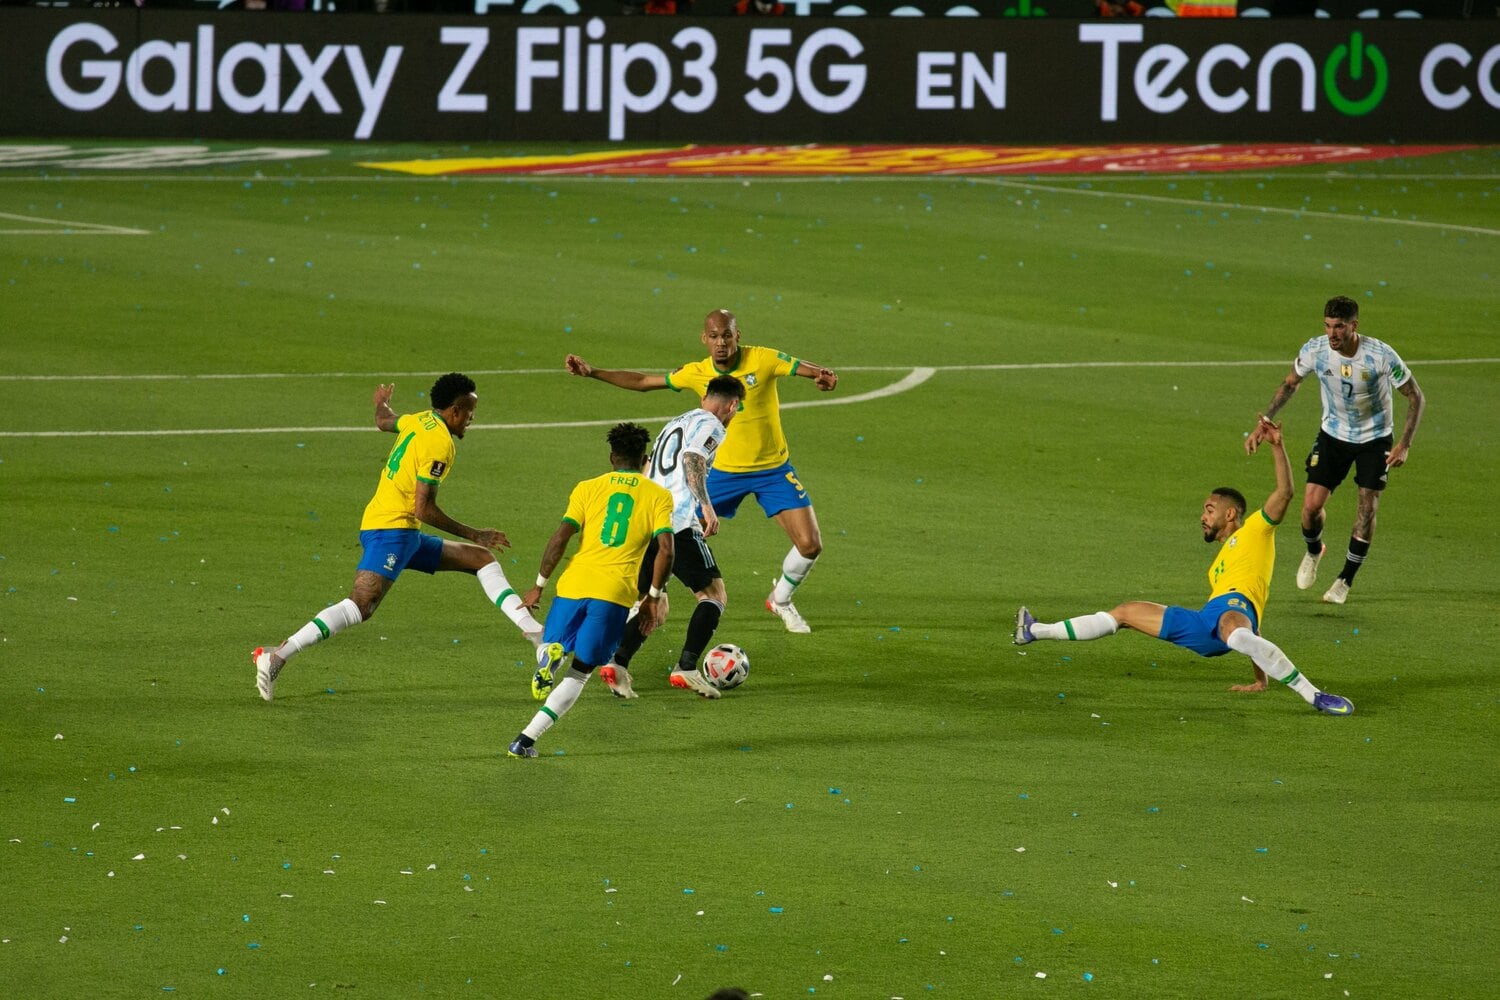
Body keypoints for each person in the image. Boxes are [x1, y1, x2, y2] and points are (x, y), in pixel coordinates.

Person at [1013, 420, 1354, 715]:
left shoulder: (1255, 529)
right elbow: (1253, 632)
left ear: (1230, 513)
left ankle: (1314, 695)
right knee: (1126, 612)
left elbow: (1285, 492)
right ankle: (1035, 630)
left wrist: (1277, 446)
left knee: (1234, 626)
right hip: (1207, 622)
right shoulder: (1217, 567)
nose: (1203, 517)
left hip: (1231, 613)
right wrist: (1259, 679)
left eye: (1209, 509)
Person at [251, 374, 551, 702]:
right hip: (392, 531)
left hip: (397, 529)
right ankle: (278, 656)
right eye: (469, 411)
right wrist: (474, 533)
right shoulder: (440, 444)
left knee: (481, 560)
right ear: (454, 411)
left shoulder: (420, 420)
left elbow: (384, 421)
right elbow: (423, 508)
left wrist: (381, 401)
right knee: (361, 605)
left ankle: (534, 633)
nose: (472, 418)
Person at [565, 308, 838, 633]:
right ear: (704, 339)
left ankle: (780, 599)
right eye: (714, 336)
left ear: (737, 336)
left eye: (727, 335)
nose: (721, 342)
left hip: (772, 471)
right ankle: (648, 596)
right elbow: (643, 382)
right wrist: (592, 371)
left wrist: (822, 375)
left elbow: (804, 369)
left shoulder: (763, 359)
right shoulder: (696, 372)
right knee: (663, 528)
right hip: (719, 474)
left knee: (810, 545)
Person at [507, 423, 675, 759]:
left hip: (574, 583)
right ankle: (524, 741)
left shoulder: (587, 488)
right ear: (645, 459)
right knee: (581, 672)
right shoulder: (658, 495)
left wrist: (538, 586)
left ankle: (550, 655)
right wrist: (652, 599)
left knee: (552, 644)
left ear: (612, 457)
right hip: (614, 593)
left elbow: (560, 537)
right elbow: (667, 550)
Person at [1246, 295, 1425, 605]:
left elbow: (1415, 397)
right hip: (1333, 435)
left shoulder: (1380, 356)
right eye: (1328, 326)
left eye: (1339, 326)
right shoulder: (1315, 350)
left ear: (1354, 325)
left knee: (1367, 506)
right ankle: (1315, 550)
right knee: (1310, 506)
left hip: (1374, 439)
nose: (1332, 334)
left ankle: (1345, 579)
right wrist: (1266, 418)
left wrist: (1404, 444)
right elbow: (1290, 383)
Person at [597, 374, 747, 701]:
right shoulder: (712, 425)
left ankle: (617, 662)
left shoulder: (675, 423)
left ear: (705, 396)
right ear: (733, 405)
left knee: (657, 604)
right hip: (675, 522)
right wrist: (706, 506)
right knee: (713, 595)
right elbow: (693, 458)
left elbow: (648, 467)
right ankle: (686, 667)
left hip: (645, 519)